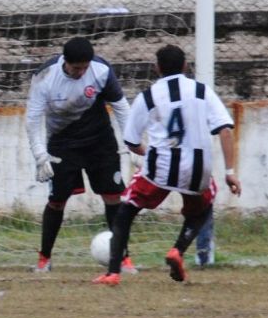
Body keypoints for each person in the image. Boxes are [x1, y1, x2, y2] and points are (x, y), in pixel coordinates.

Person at [93, 44, 241, 286]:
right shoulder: (202, 91)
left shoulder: (148, 96)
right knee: (202, 209)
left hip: (160, 167)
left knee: (125, 213)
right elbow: (225, 129)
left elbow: (131, 141)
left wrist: (147, 155)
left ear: (157, 68)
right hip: (197, 168)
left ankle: (113, 273)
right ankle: (177, 250)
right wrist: (230, 172)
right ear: (185, 66)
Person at [25, 36, 137, 274]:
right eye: (77, 68)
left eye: (85, 68)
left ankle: (123, 258)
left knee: (113, 197)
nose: (81, 72)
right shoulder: (45, 77)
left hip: (100, 141)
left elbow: (121, 106)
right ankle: (44, 258)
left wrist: (131, 144)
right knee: (57, 201)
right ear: (65, 62)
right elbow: (33, 118)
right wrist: (40, 155)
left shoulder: (101, 70)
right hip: (62, 143)